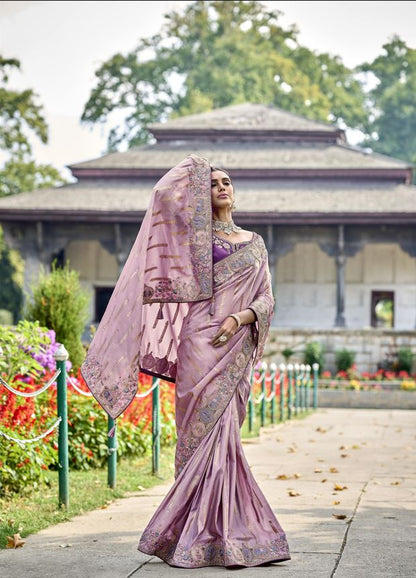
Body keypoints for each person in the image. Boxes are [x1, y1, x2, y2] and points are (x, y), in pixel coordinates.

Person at [81, 154, 290, 568]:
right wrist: (196, 168)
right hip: (198, 342)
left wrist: (239, 318)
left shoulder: (255, 243)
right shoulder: (190, 241)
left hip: (236, 344)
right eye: (213, 184)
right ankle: (194, 534)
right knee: (197, 438)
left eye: (227, 181)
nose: (223, 188)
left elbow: (266, 298)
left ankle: (223, 534)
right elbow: (162, 194)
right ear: (202, 196)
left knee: (226, 437)